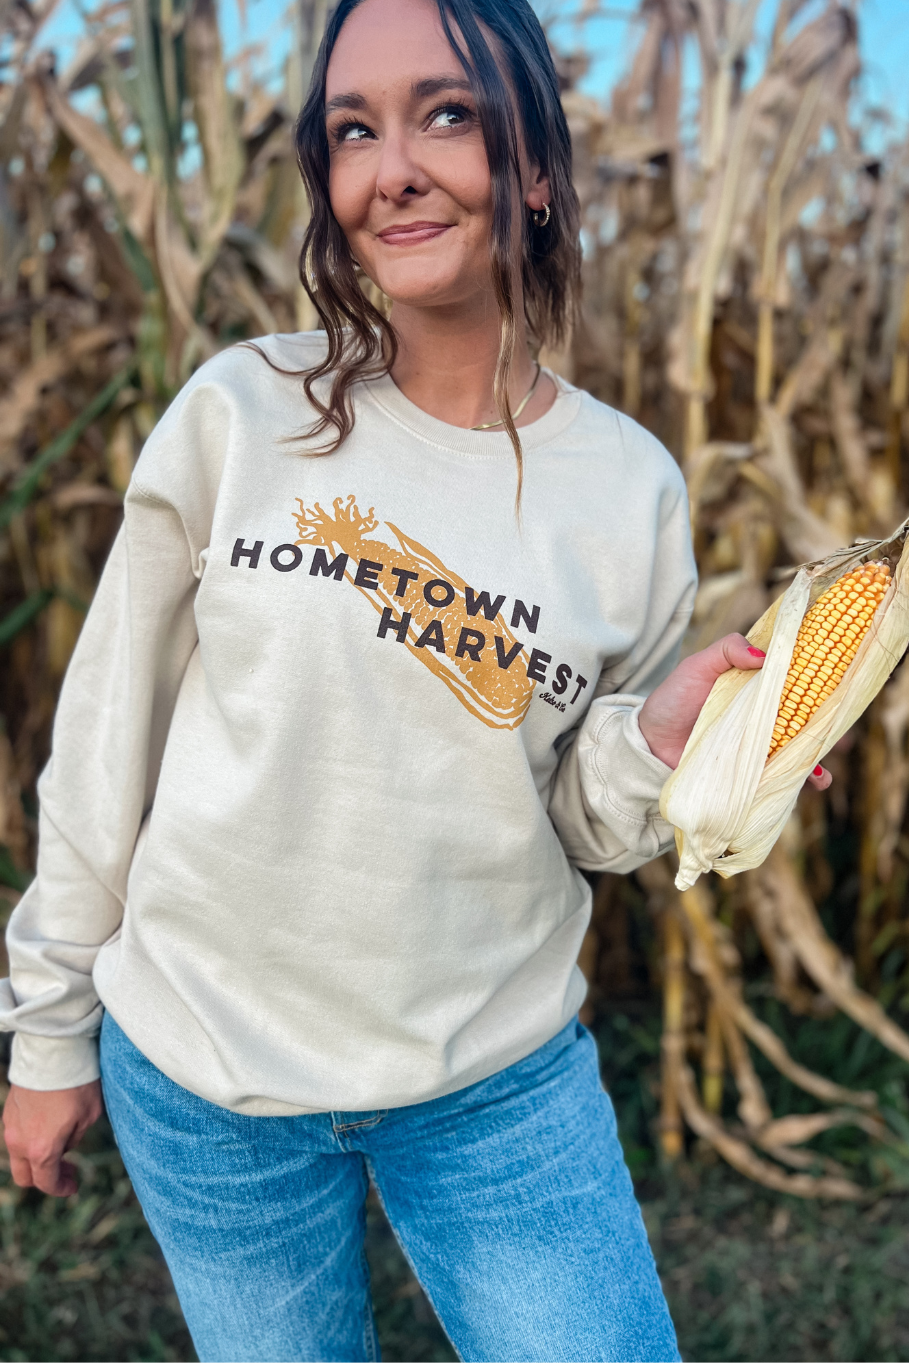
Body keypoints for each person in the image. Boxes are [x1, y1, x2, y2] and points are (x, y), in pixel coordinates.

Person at [0, 0, 831, 1359]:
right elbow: (107, 741)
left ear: (539, 168)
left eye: (447, 113)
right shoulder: (240, 413)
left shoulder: (628, 491)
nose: (393, 165)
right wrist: (46, 1032)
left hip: (493, 1086)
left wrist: (664, 741)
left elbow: (584, 821)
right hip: (209, 1075)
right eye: (352, 129)